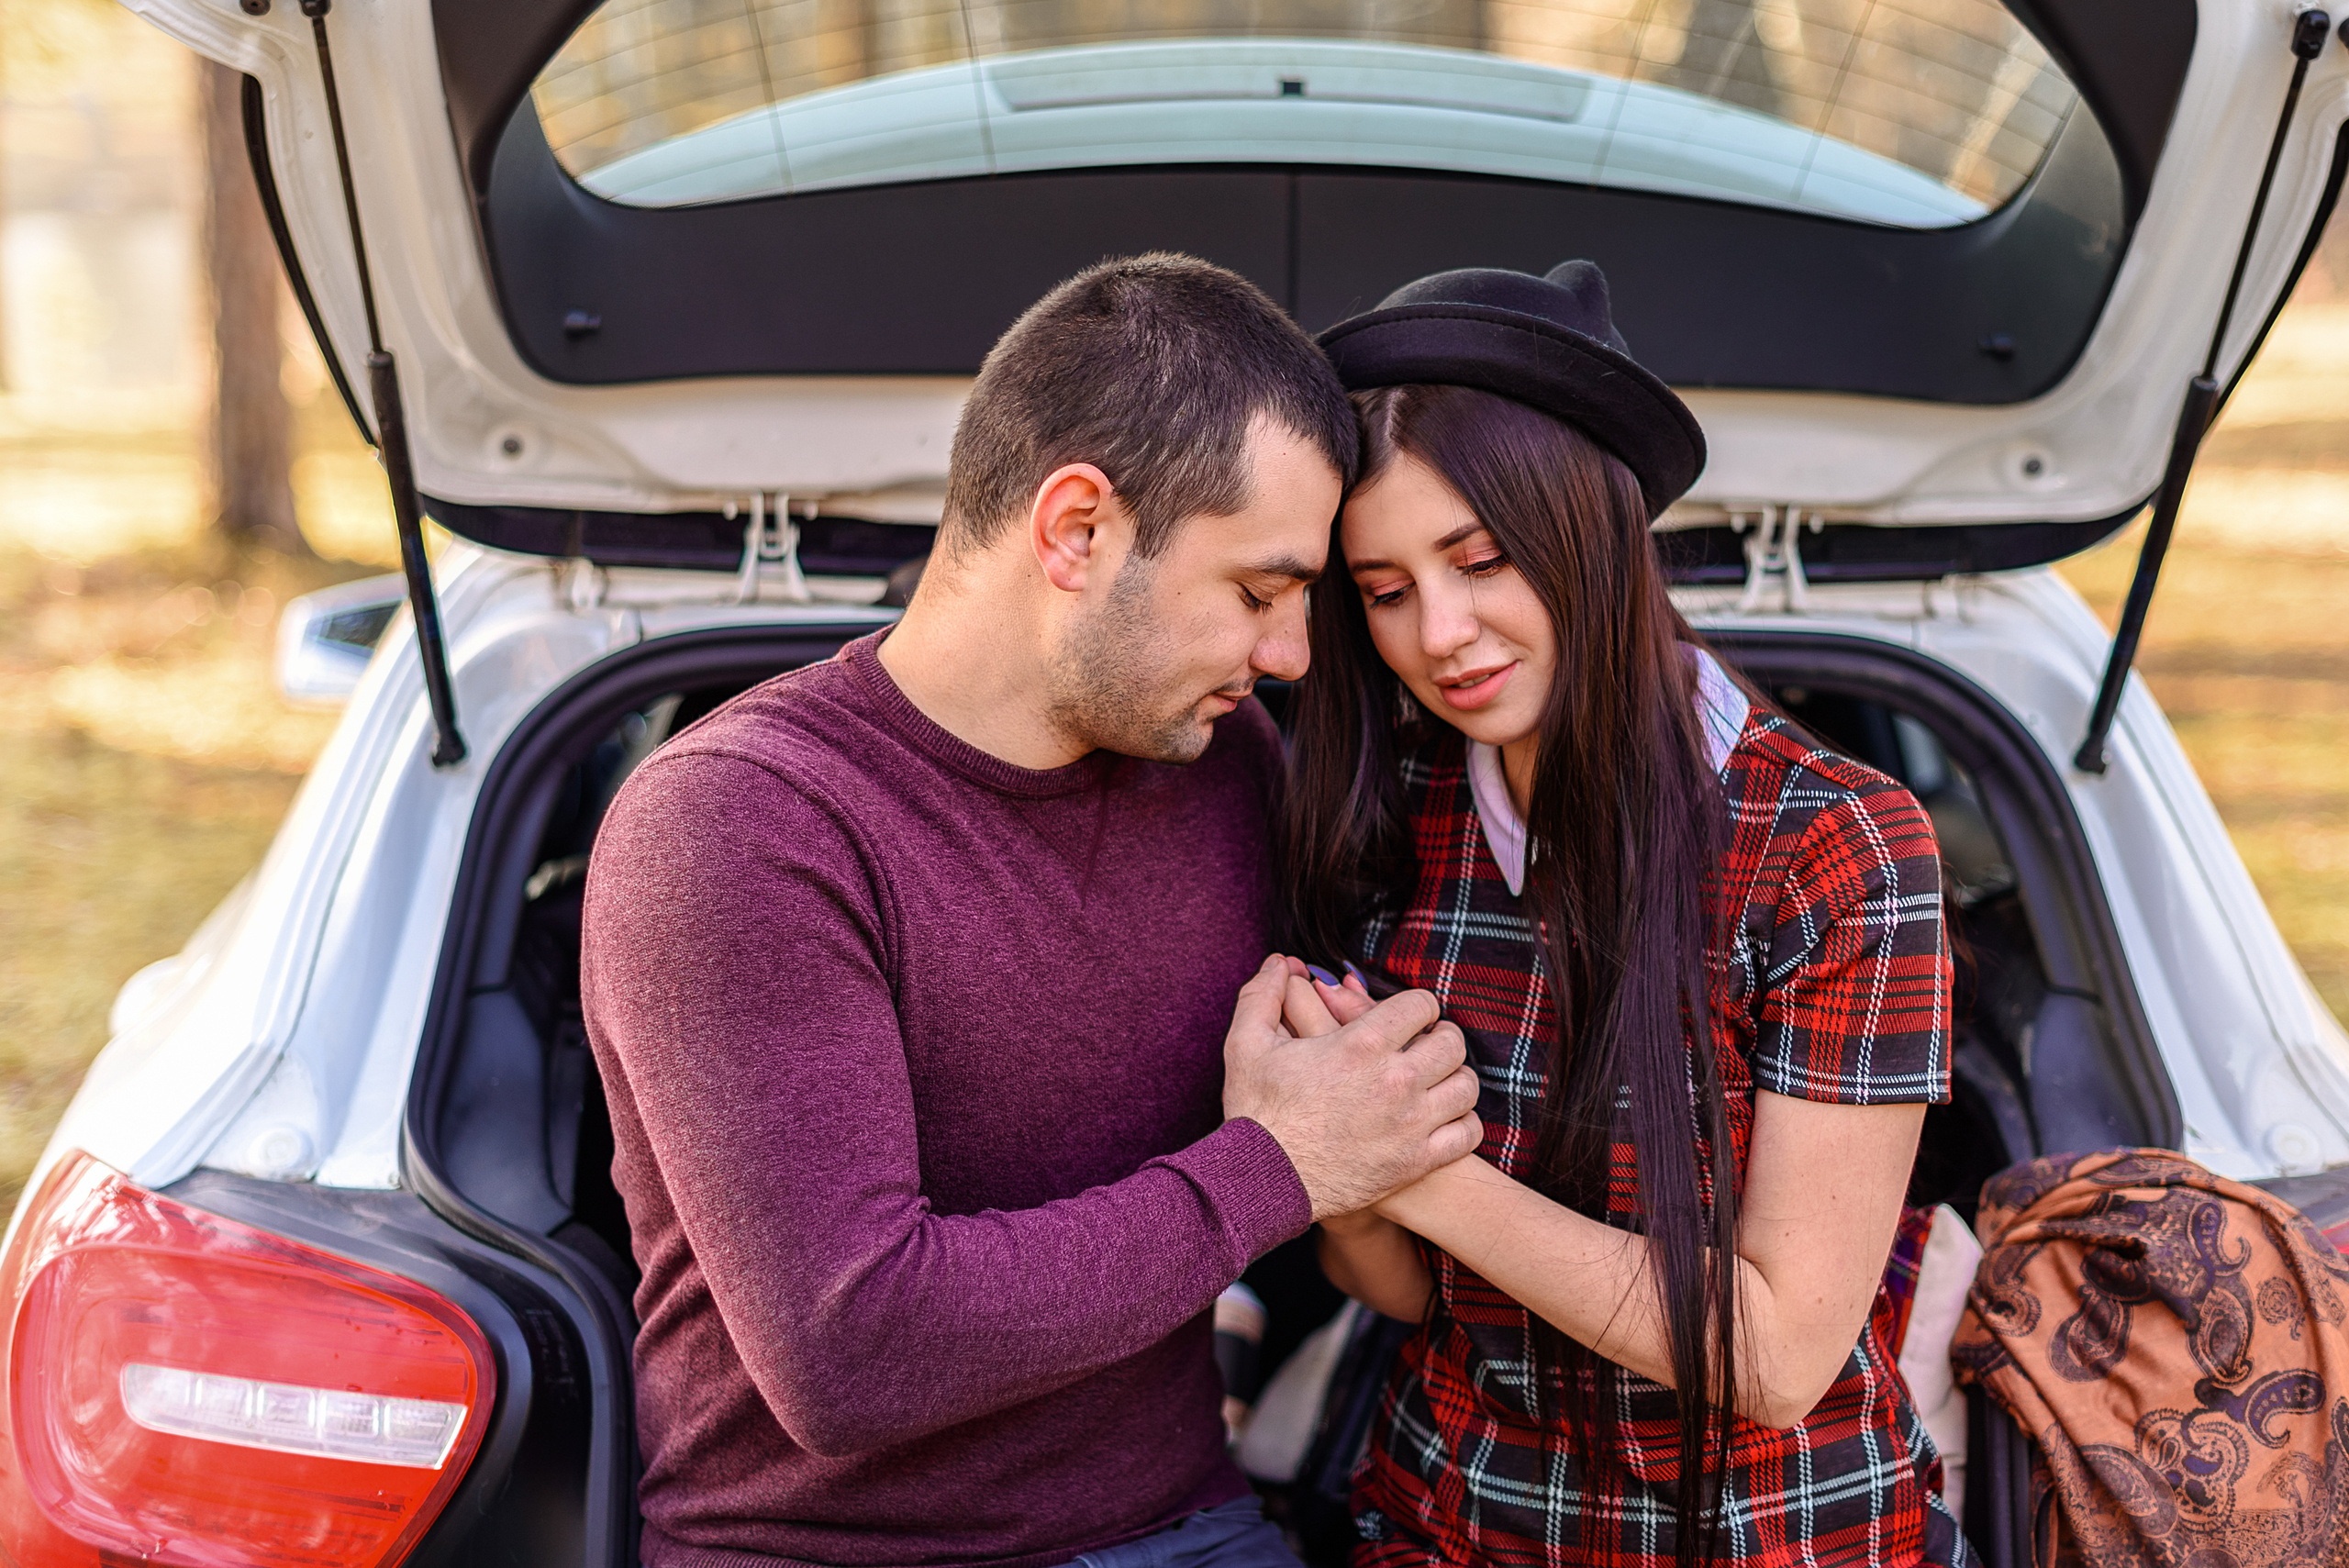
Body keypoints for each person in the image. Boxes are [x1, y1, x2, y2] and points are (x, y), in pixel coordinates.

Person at [578, 253, 1483, 1568]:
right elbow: (854, 1353)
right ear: (1075, 530)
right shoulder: (739, 826)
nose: (1290, 655)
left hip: (1186, 1520)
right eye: (1258, 592)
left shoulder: (1225, 765)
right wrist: (1279, 1166)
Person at [1282, 261, 1968, 1567]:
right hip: (1445, 1524)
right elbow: (1406, 1290)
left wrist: (1399, 1160)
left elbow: (1770, 1354)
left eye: (1481, 559)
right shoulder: (1399, 806)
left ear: (1593, 527)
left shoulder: (1839, 846)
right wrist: (1329, 1170)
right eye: (1382, 588)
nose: (1441, 632)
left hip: (1771, 1540)